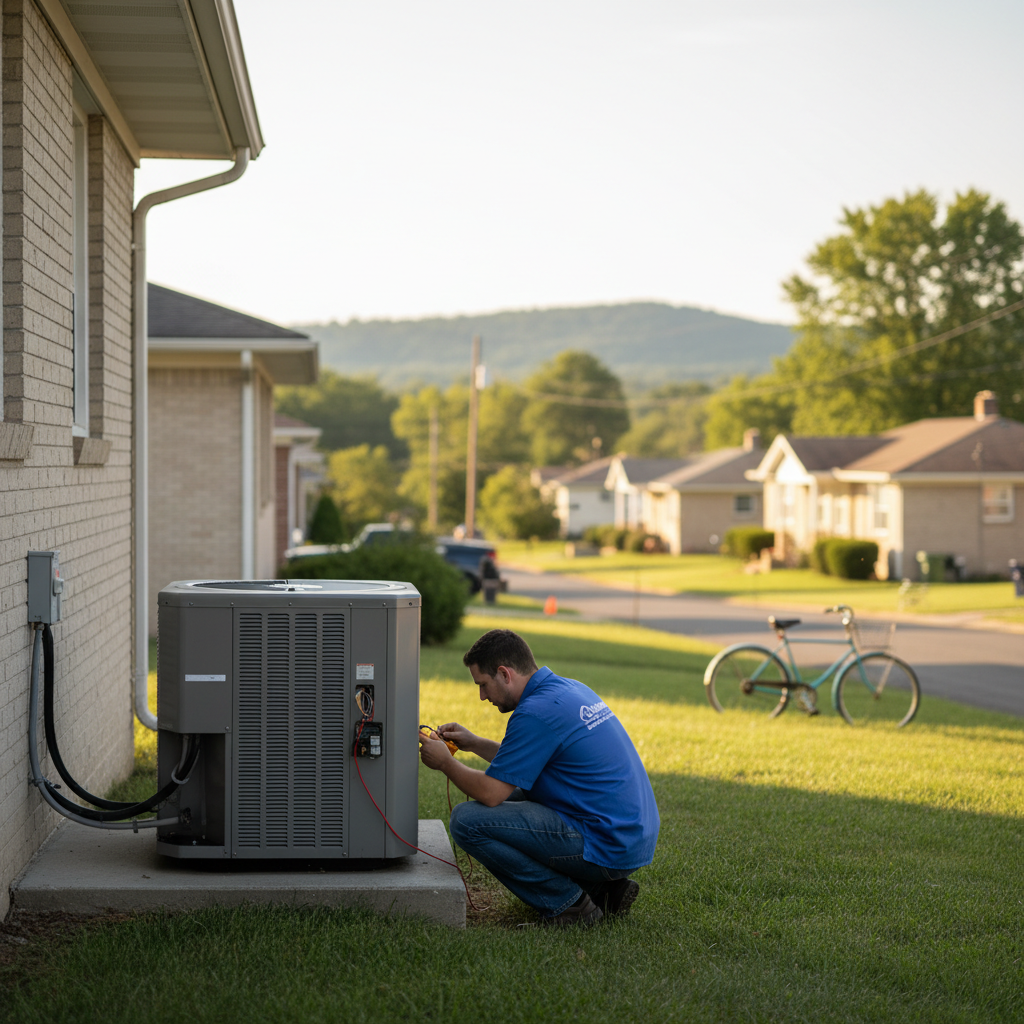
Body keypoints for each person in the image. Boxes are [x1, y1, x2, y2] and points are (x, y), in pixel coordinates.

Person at [418, 628, 659, 927]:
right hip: (629, 835)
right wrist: (474, 742)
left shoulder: (535, 712)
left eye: (482, 684)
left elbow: (492, 793)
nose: (481, 696)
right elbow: (527, 763)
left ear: (505, 674)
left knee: (468, 821)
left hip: (607, 843)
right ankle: (603, 890)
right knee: (517, 798)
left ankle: (569, 906)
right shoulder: (567, 689)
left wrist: (445, 763)